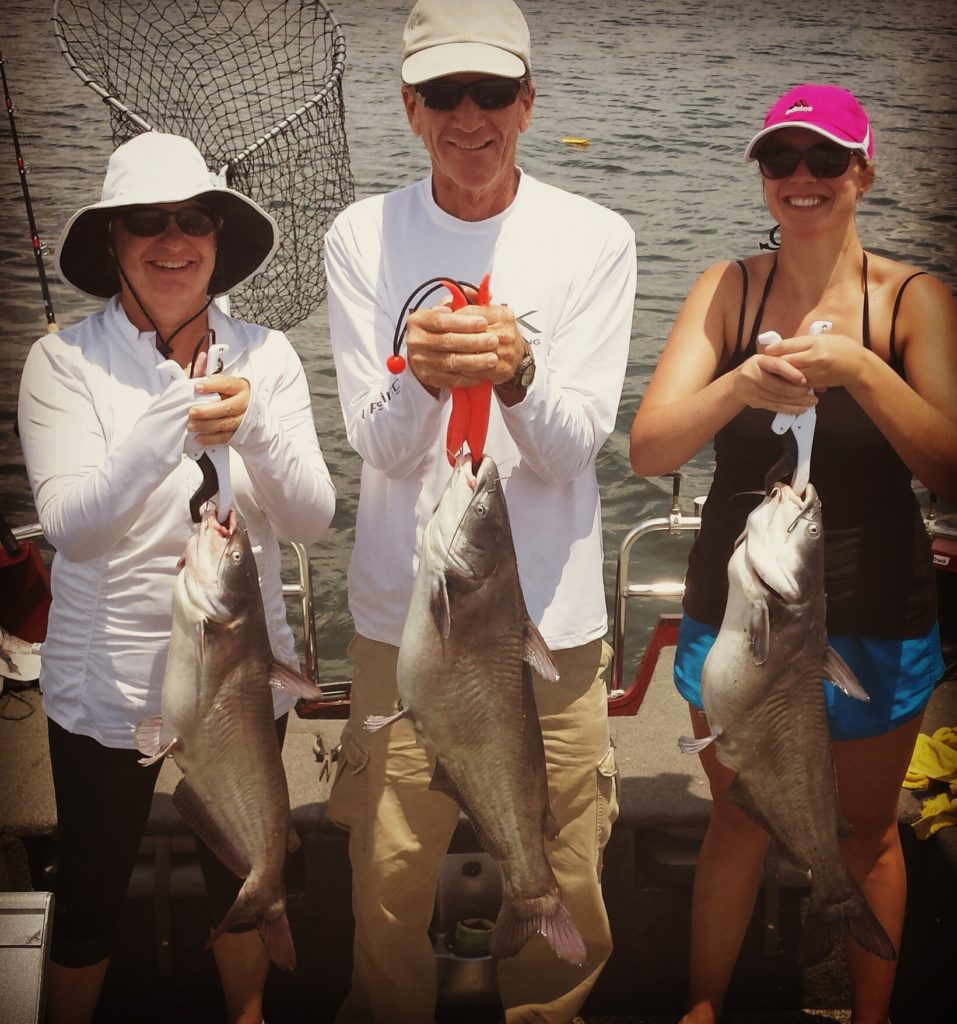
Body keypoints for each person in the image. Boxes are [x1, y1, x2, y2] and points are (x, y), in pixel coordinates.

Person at [323, 2, 637, 1021]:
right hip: (403, 628)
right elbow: (377, 444)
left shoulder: (595, 236)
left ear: (528, 103)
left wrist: (519, 372)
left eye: (492, 92)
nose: (471, 117)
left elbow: (570, 446)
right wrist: (417, 374)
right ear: (410, 108)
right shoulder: (362, 233)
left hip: (554, 625)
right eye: (445, 95)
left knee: (566, 866)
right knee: (389, 875)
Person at [630, 83, 957, 1024]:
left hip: (872, 616)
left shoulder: (913, 300)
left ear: (863, 171)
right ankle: (701, 1007)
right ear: (761, 176)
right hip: (736, 613)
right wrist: (736, 383)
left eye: (825, 160)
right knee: (736, 816)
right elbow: (650, 449)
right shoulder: (728, 288)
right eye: (781, 161)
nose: (802, 179)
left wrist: (859, 369)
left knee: (864, 832)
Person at [17, 132, 336, 1024]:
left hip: (237, 681)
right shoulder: (60, 363)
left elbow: (312, 519)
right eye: (144, 223)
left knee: (243, 871)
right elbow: (75, 530)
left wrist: (256, 431)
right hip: (104, 693)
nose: (172, 241)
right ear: (112, 242)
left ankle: (249, 1017)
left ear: (219, 238)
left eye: (193, 220)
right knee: (89, 898)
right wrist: (173, 417)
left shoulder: (266, 356)